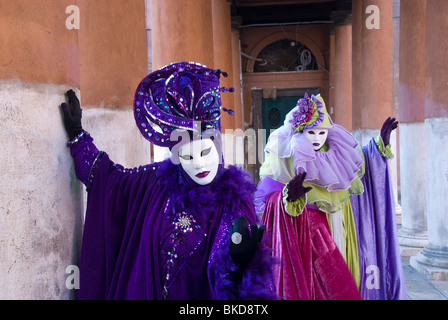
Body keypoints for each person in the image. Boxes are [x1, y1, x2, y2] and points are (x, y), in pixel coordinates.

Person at [60, 62, 275, 300]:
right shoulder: (154, 183)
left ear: (218, 147)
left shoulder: (234, 202)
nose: (200, 165)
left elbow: (242, 286)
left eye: (205, 152)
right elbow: (106, 181)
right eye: (188, 156)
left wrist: (241, 265)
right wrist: (79, 138)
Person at [255, 93, 406, 300]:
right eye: (311, 132)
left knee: (344, 279)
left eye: (322, 132)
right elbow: (270, 201)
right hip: (309, 241)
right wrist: (288, 196)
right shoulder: (283, 158)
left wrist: (379, 147)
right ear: (300, 131)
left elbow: (362, 166)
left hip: (342, 228)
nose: (317, 138)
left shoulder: (339, 154)